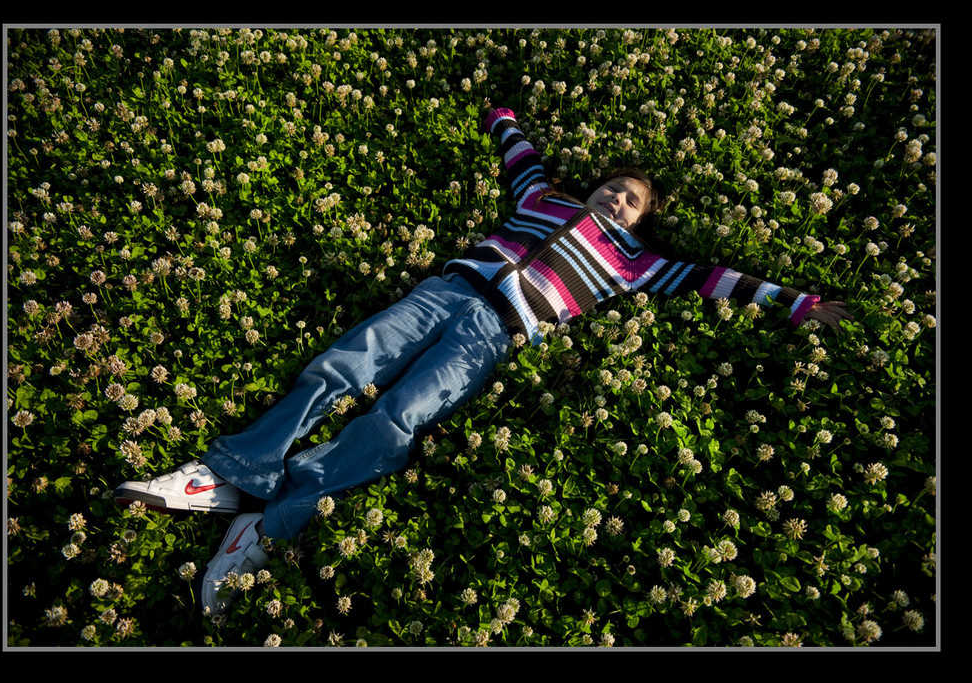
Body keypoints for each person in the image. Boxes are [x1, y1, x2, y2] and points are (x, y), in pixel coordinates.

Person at [114, 107, 852, 614]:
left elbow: (713, 279)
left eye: (632, 202)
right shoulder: (543, 196)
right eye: (614, 187)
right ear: (593, 183)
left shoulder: (635, 264)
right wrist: (502, 114)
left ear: (642, 221)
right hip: (447, 291)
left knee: (397, 422)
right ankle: (228, 475)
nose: (618, 200)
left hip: (493, 336)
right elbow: (519, 152)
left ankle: (273, 522)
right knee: (343, 365)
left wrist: (797, 303)